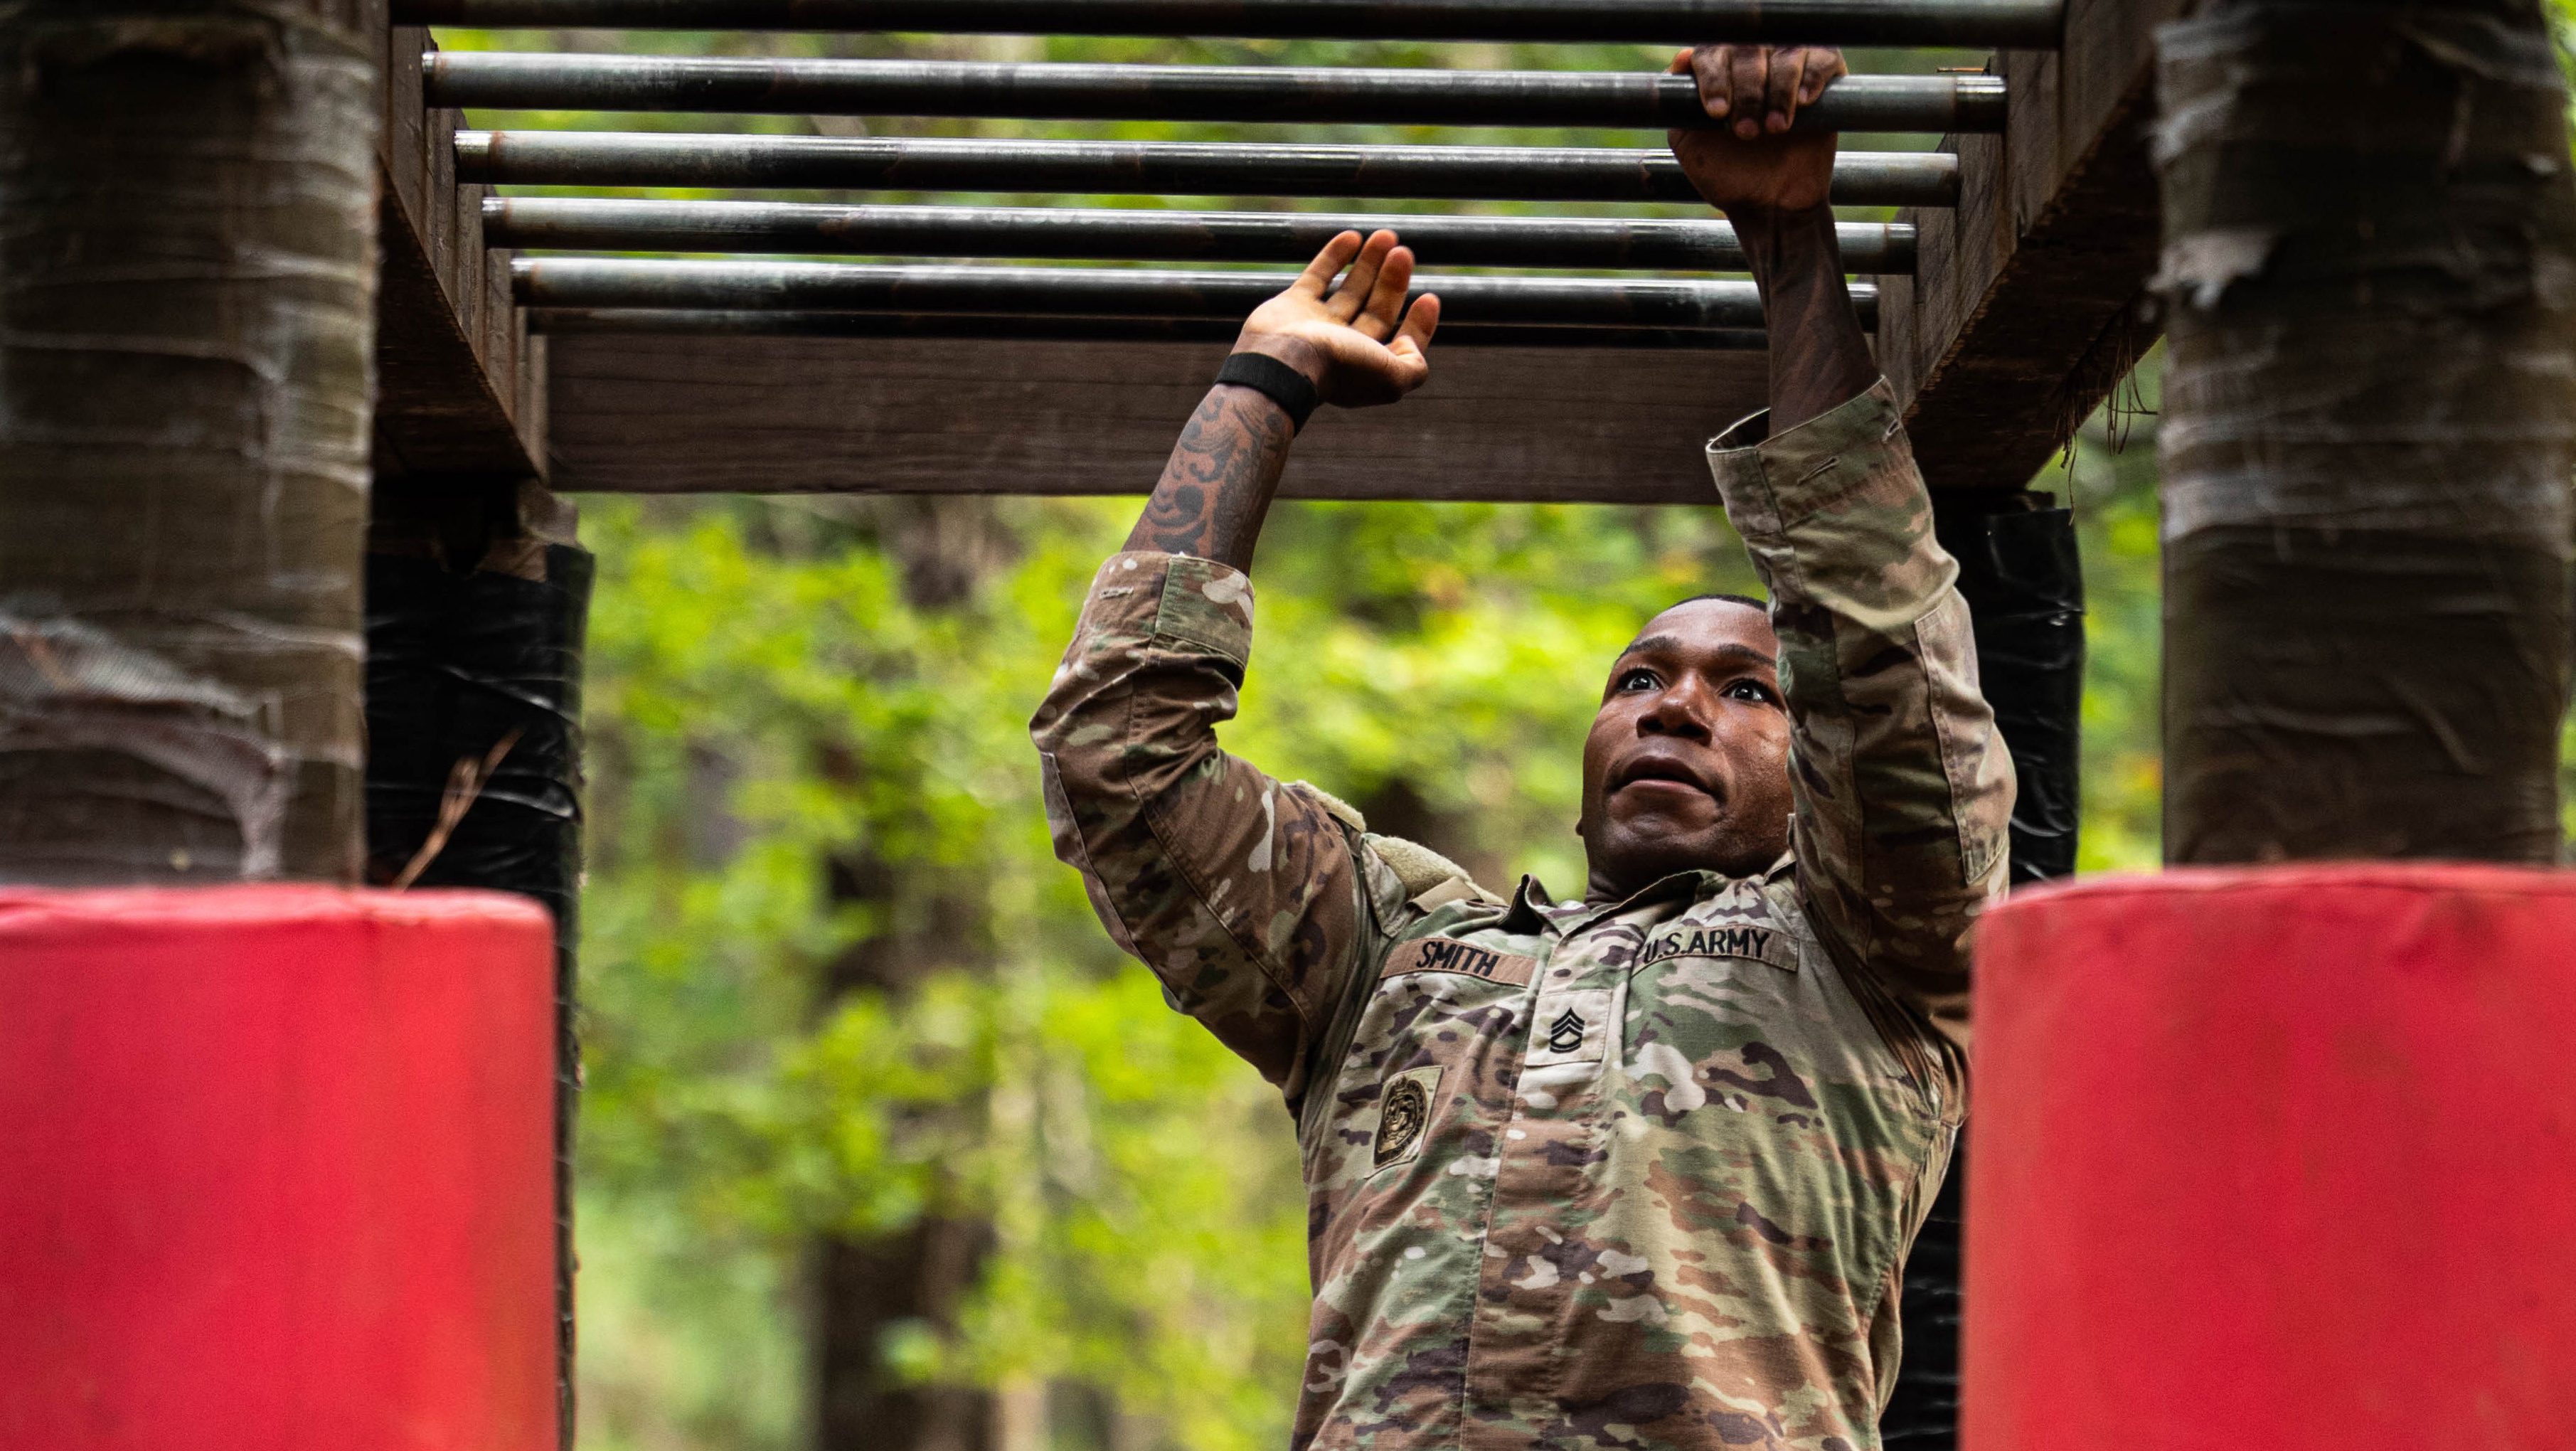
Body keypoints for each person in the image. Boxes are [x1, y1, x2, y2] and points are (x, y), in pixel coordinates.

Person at [1031, 42, 2013, 1451]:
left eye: (1748, 691)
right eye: (1638, 678)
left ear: (1820, 780)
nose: (1674, 705)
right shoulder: (1386, 952)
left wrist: (1791, 241)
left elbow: (1880, 656)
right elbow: (1116, 756)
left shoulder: (1865, 955)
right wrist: (1262, 378)